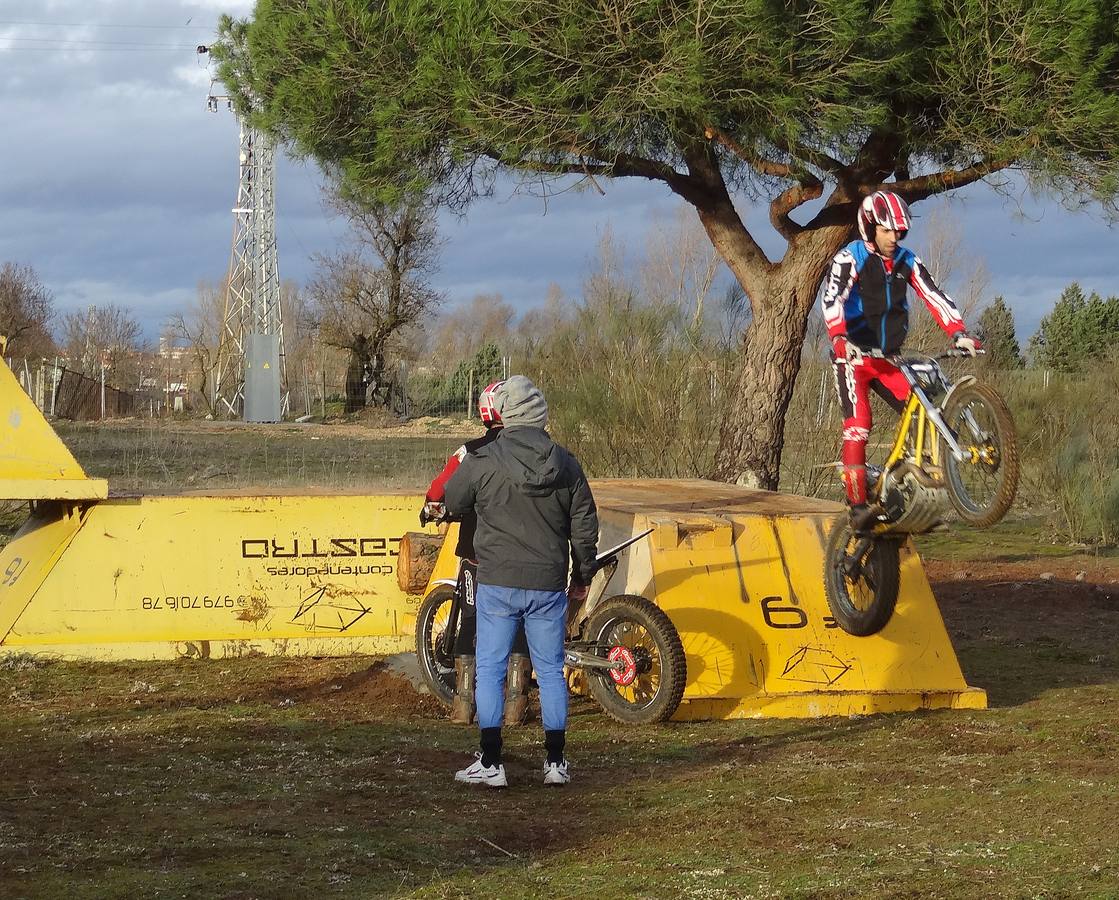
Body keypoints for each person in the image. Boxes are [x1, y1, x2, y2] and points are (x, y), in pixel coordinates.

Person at [444, 375, 598, 788]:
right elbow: (584, 528)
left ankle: (492, 763)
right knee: (549, 671)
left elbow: (454, 499)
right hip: (547, 582)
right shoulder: (566, 464)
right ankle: (555, 762)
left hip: (496, 581)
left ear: (505, 415)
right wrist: (582, 577)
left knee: (490, 669)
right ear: (543, 416)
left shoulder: (485, 459)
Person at [821, 190, 983, 533]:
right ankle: (857, 506)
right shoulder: (849, 258)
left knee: (924, 412)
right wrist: (839, 338)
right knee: (859, 426)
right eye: (887, 231)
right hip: (854, 359)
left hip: (889, 359)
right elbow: (833, 298)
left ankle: (911, 489)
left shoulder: (907, 260)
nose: (894, 238)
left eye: (900, 232)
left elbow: (932, 293)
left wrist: (958, 332)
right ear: (869, 228)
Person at [421, 380, 533, 727]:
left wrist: (431, 507)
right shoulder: (532, 451)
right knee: (521, 623)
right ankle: (515, 705)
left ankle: (463, 704)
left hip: (478, 553)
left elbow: (439, 491)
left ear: (485, 411)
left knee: (470, 619)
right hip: (526, 553)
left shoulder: (469, 452)